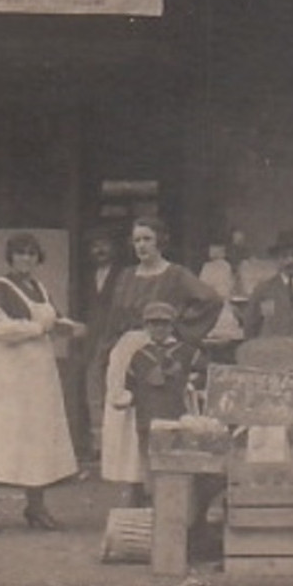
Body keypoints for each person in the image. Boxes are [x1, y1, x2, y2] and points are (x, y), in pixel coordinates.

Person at [98, 217, 222, 502]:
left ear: (160, 242)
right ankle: (133, 487)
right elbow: (114, 317)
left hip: (158, 350)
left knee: (158, 413)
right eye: (137, 240)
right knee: (126, 417)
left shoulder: (175, 275)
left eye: (147, 239)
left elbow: (211, 300)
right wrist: (108, 351)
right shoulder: (126, 276)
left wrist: (178, 330)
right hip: (126, 349)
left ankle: (160, 488)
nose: (141, 245)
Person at [0, 233, 80, 536]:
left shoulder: (39, 288)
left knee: (38, 436)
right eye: (20, 254)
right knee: (1, 436)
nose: (26, 259)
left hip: (40, 372)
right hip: (9, 374)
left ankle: (36, 507)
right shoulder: (0, 288)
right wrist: (37, 327)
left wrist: (68, 328)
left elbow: (53, 322)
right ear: (11, 257)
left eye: (31, 254)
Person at [113, 302, 208, 506]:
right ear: (146, 327)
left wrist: (189, 381)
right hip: (148, 417)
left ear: (172, 326)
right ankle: (152, 500)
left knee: (178, 460)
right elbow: (131, 385)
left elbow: (205, 373)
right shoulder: (139, 356)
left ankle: (178, 501)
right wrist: (125, 398)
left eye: (164, 324)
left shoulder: (186, 351)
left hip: (178, 415)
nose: (159, 329)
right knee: (149, 461)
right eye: (153, 324)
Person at [76, 226, 127, 460]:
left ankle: (118, 444)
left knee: (117, 388)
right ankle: (99, 445)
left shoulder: (125, 275)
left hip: (117, 338)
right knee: (93, 388)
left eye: (104, 244)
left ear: (115, 247)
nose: (100, 249)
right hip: (92, 340)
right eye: (95, 245)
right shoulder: (86, 277)